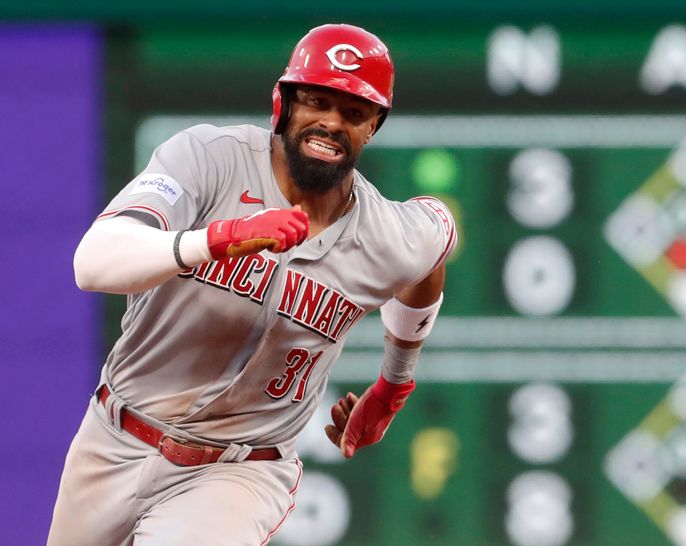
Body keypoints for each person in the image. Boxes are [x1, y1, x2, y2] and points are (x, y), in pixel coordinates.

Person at [47, 23, 457, 545]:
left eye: (353, 112)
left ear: (374, 124)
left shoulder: (388, 234)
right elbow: (94, 262)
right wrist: (215, 239)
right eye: (316, 101)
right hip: (115, 437)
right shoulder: (207, 158)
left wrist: (394, 385)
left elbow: (435, 244)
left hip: (240, 470)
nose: (331, 122)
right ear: (282, 103)